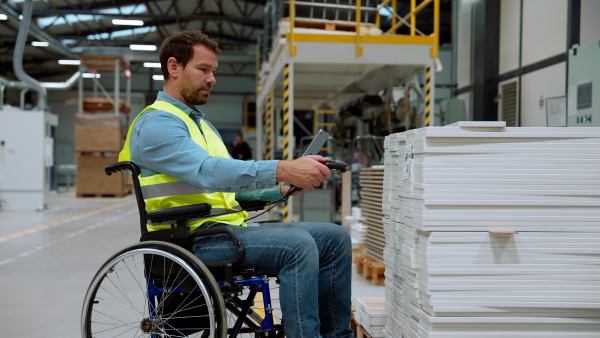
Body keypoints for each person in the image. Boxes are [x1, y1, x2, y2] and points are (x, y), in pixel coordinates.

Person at [119, 30, 354, 338]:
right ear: (173, 67)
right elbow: (207, 171)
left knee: (334, 238)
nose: (212, 78)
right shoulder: (156, 124)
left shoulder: (199, 124)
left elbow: (225, 189)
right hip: (189, 238)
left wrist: (280, 188)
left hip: (224, 230)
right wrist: (283, 168)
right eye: (203, 69)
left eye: (213, 70)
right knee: (298, 246)